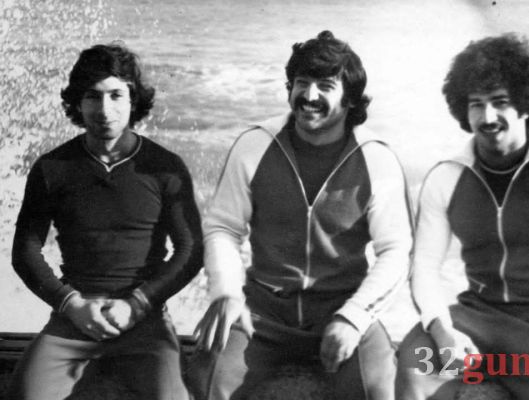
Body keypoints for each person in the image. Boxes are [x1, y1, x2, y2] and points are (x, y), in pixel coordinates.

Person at [187, 30, 413, 400]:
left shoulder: (376, 158)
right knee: (208, 381)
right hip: (262, 313)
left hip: (340, 309)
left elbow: (396, 250)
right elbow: (223, 228)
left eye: (325, 86)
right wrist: (226, 292)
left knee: (380, 389)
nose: (309, 96)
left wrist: (354, 317)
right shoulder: (255, 145)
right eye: (301, 83)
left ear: (349, 99)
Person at [396, 33, 529, 400]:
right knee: (413, 367)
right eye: (476, 104)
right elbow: (423, 265)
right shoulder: (447, 176)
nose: (488, 117)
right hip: (473, 320)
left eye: (500, 102)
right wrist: (442, 331)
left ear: (525, 105)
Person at [8, 43, 203, 400]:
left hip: (145, 319)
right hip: (74, 316)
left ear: (133, 99)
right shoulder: (52, 168)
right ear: (77, 103)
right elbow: (25, 249)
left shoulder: (164, 167)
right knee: (24, 394)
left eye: (116, 95)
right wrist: (71, 304)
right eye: (92, 96)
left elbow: (191, 249)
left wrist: (138, 304)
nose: (104, 109)